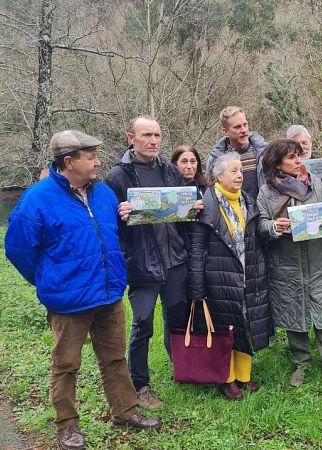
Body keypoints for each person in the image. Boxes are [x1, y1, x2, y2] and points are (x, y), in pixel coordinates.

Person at [5, 130, 161, 450]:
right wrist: (48, 279)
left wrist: (127, 217)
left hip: (108, 294)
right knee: (66, 365)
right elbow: (18, 249)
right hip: (69, 301)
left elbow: (111, 235)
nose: (97, 162)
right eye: (90, 157)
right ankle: (67, 426)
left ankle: (125, 411)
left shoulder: (104, 194)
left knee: (115, 358)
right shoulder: (38, 199)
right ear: (68, 161)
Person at [104, 116, 202, 411]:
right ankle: (141, 385)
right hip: (143, 264)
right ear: (130, 138)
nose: (154, 141)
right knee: (142, 324)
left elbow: (178, 215)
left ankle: (181, 370)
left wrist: (192, 208)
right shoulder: (117, 177)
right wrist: (121, 215)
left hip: (175, 261)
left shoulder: (169, 170)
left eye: (158, 135)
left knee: (176, 320)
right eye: (147, 135)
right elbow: (108, 227)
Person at [256, 139, 322, 390]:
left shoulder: (315, 184)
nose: (299, 161)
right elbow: (260, 224)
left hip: (318, 261)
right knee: (294, 315)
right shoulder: (267, 192)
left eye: (299, 156)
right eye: (292, 157)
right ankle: (302, 363)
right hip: (286, 264)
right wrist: (274, 227)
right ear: (277, 163)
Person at [186, 152, 272, 400]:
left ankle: (244, 376)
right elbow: (197, 249)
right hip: (219, 278)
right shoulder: (207, 205)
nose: (239, 175)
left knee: (246, 325)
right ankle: (226, 379)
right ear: (218, 175)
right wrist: (197, 287)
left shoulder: (248, 201)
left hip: (249, 274)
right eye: (233, 171)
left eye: (240, 171)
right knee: (226, 330)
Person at [205, 106, 268, 199]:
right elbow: (211, 192)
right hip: (230, 211)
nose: (244, 130)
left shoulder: (264, 152)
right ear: (225, 132)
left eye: (245, 125)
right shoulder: (215, 160)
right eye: (237, 127)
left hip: (261, 211)